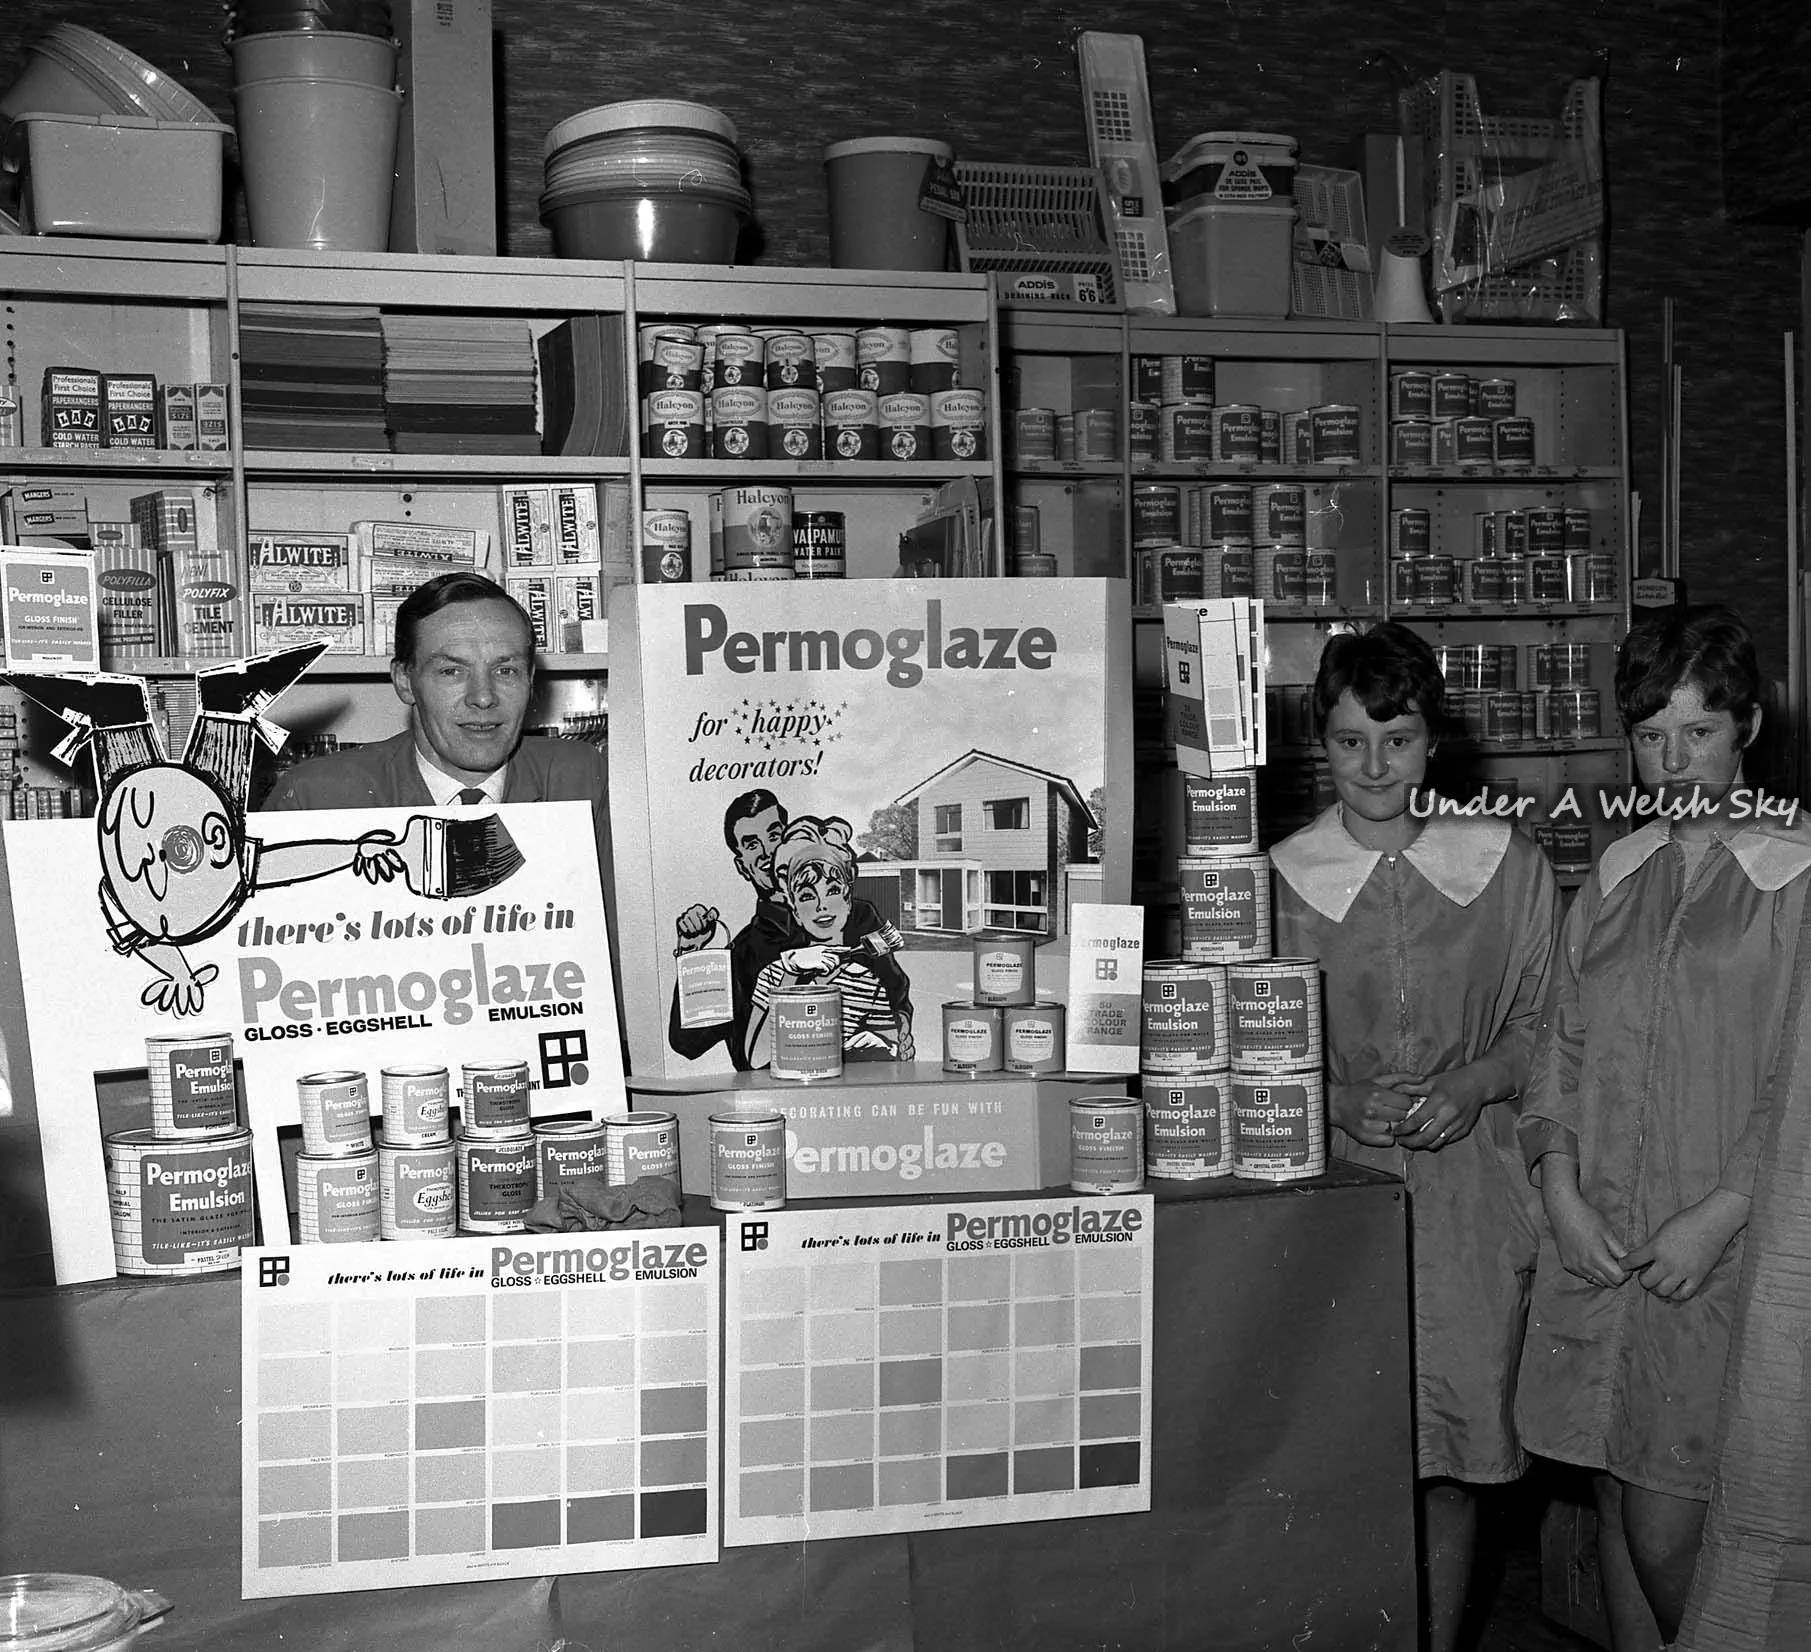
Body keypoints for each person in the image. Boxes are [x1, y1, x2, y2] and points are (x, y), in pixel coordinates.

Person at [1515, 605, 1811, 1651]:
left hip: (1722, 1254)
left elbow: (1795, 1085)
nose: (1673, 763)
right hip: (1600, 1243)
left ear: (1747, 727)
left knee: (1672, 1524)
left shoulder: (1795, 874)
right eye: (1650, 736)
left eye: (1698, 732)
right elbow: (1558, 1046)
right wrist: (1559, 1189)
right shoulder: (1615, 873)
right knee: (1608, 1492)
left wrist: (1717, 1215)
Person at [1269, 622, 1560, 1652]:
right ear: (1320, 744)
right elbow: (1235, 1046)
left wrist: (1477, 1079)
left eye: (1395, 740)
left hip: (1471, 1199)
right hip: (1329, 1193)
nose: (1373, 766)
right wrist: (1335, 1101)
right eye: (1349, 742)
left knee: (1451, 1457)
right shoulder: (1274, 879)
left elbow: (1548, 1020)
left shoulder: (1506, 865)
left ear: (1432, 741)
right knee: (1339, 1449)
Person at [264, 571, 612, 884]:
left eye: (505, 671)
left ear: (530, 679)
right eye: (451, 671)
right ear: (404, 681)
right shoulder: (315, 797)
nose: (483, 697)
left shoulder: (584, 779)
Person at [744, 815, 915, 1066]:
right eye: (806, 895)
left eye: (832, 890)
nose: (821, 905)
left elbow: (893, 1051)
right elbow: (756, 1059)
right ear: (793, 905)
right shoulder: (772, 970)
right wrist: (791, 972)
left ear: (847, 897)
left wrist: (887, 1045)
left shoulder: (870, 982)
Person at [666, 788, 797, 1069]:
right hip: (765, 1094)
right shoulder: (738, 956)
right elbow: (688, 1043)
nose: (767, 852)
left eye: (774, 836)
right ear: (742, 867)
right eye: (751, 845)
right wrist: (692, 954)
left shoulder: (844, 921)